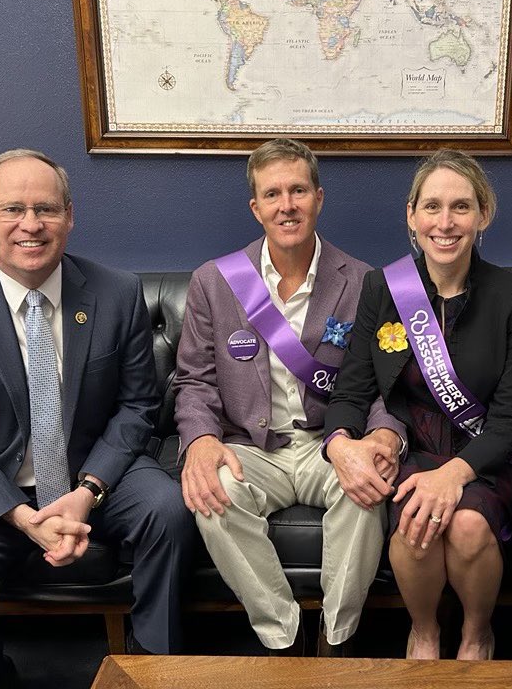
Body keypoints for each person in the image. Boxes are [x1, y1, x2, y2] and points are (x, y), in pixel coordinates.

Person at [0, 149, 194, 689]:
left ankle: (152, 667)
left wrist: (86, 491)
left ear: (70, 216)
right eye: (13, 208)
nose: (30, 225)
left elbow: (137, 409)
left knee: (170, 513)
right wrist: (19, 515)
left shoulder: (117, 293)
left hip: (95, 472)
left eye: (46, 209)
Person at [173, 138, 404, 656]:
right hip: (251, 448)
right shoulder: (215, 282)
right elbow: (193, 381)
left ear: (319, 197)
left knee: (363, 490)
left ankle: (337, 637)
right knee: (213, 495)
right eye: (272, 194)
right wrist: (201, 441)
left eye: (298, 190)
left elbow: (384, 385)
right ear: (256, 207)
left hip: (331, 441)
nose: (287, 205)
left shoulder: (364, 281)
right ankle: (284, 635)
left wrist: (386, 434)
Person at [325, 149, 512, 661]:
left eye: (461, 207)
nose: (445, 223)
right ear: (411, 216)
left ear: (483, 216)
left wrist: (456, 474)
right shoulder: (384, 287)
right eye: (432, 206)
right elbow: (351, 389)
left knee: (466, 526)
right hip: (413, 448)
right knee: (417, 527)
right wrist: (339, 445)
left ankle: (476, 632)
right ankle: (423, 631)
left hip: (485, 452)